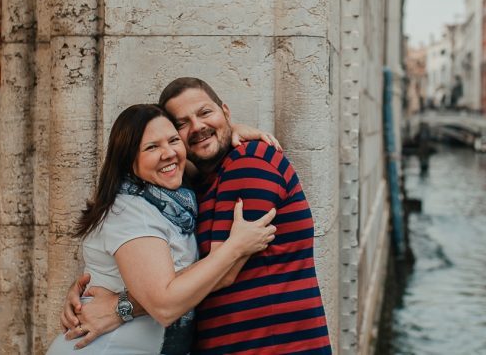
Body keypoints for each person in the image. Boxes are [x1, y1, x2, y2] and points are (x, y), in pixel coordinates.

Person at [64, 78, 333, 354]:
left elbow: (223, 271)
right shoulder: (189, 190)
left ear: (226, 112)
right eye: (182, 124)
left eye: (206, 113)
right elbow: (193, 274)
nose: (198, 127)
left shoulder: (248, 163)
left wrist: (120, 307)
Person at [47, 104, 277, 355]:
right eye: (151, 147)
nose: (168, 153)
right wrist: (236, 246)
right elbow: (165, 305)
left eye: (173, 140)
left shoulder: (176, 197)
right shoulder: (130, 212)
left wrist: (230, 130)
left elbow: (194, 281)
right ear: (128, 160)